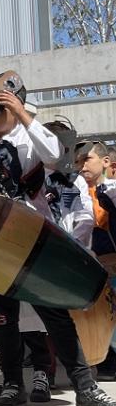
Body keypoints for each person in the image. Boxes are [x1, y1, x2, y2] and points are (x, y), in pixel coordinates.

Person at [0, 70, 116, 406]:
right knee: (2, 317)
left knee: (55, 314)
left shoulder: (32, 139)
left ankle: (85, 389)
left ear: (14, 105)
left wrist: (24, 114)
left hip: (31, 239)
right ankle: (14, 385)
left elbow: (55, 156)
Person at [76, 140, 116, 381]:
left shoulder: (111, 191)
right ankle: (107, 363)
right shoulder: (72, 191)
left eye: (87, 159)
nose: (81, 166)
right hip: (90, 268)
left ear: (106, 162)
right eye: (78, 160)